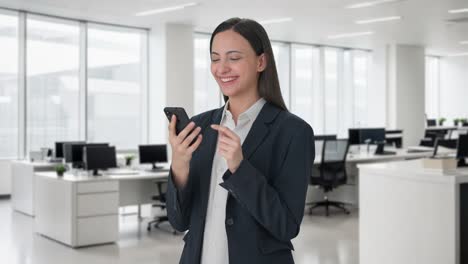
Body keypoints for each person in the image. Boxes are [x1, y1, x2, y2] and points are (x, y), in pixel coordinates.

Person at [166, 17, 315, 264]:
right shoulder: (200, 126)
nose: (221, 68)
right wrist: (179, 164)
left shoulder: (293, 132)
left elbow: (286, 226)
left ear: (260, 62)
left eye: (233, 58)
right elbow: (179, 221)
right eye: (215, 58)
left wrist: (239, 168)